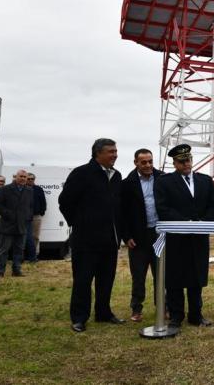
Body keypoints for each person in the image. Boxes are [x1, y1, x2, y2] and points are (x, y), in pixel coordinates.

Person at [59, 138, 125, 333]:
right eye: (111, 151)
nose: (115, 155)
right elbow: (65, 202)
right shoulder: (81, 174)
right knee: (83, 280)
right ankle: (79, 317)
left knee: (106, 279)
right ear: (98, 153)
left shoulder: (116, 176)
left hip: (109, 240)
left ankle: (103, 313)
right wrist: (79, 223)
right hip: (86, 240)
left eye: (116, 151)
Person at [155, 144, 214, 328]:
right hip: (177, 237)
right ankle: (176, 316)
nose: (186, 164)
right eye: (182, 161)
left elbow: (213, 205)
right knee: (175, 277)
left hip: (198, 237)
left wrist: (202, 222)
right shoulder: (164, 182)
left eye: (189, 160)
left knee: (196, 277)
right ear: (175, 163)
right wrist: (185, 222)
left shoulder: (205, 181)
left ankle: (196, 315)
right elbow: (163, 208)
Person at [121, 148, 164, 322]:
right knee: (138, 275)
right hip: (138, 237)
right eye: (144, 162)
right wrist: (126, 236)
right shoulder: (127, 183)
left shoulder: (163, 178)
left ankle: (162, 306)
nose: (148, 165)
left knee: (160, 274)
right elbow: (121, 212)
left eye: (150, 161)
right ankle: (136, 309)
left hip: (159, 234)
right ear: (136, 163)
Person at [0, 170, 33, 277]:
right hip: (7, 224)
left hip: (21, 225)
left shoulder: (29, 190)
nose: (23, 178)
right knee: (4, 250)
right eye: (21, 176)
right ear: (16, 177)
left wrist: (27, 217)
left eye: (25, 177)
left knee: (19, 250)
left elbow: (30, 206)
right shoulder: (6, 189)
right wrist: (9, 215)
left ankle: (16, 270)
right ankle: (0, 271)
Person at [24, 173, 47, 262]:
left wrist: (42, 211)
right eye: (28, 179)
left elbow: (43, 201)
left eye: (32, 179)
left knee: (35, 236)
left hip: (35, 216)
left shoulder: (38, 189)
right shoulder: (22, 189)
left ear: (34, 179)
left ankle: (35, 254)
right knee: (22, 236)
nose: (30, 180)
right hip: (23, 216)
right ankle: (23, 255)